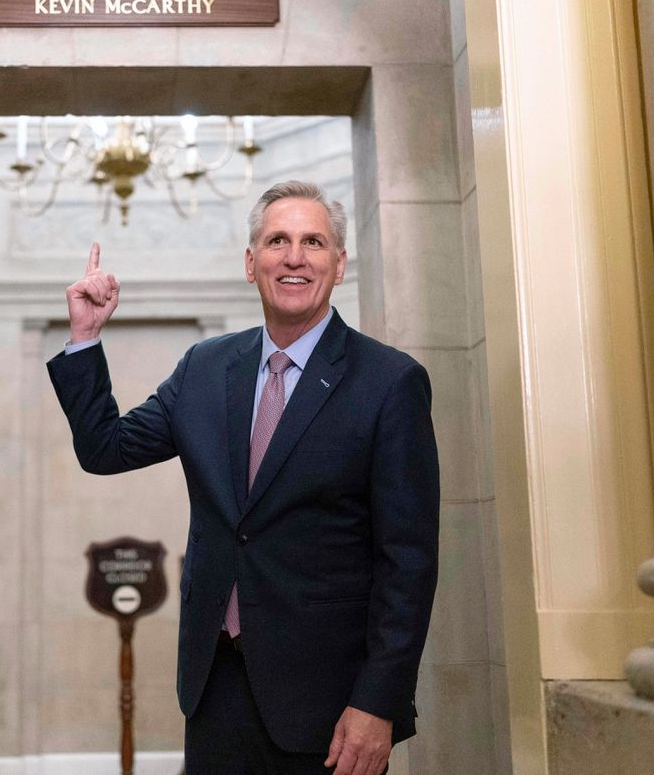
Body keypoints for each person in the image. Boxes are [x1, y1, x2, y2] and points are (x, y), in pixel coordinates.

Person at [47, 181, 439, 775]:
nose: (295, 256)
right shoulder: (205, 367)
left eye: (314, 241)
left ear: (339, 263)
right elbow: (106, 448)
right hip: (215, 688)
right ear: (252, 262)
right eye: (277, 240)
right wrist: (85, 338)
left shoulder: (389, 382)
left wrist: (377, 701)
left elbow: (407, 561)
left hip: (330, 706)